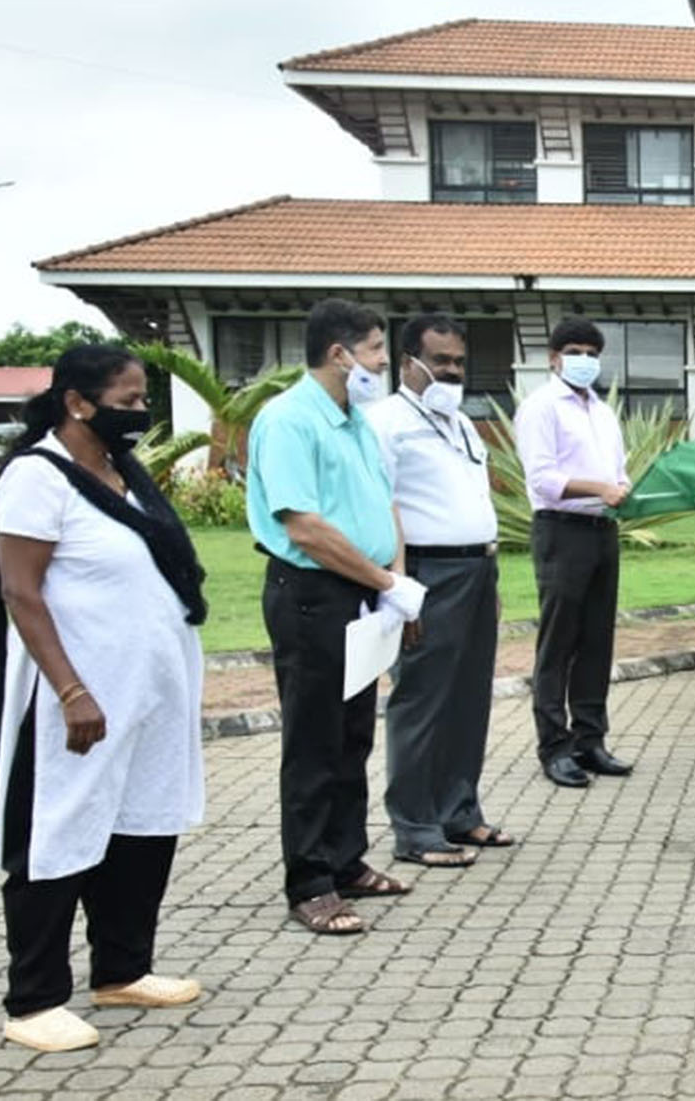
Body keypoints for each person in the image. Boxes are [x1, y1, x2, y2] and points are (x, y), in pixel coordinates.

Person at [0, 346, 209, 1051]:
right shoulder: (37, 478)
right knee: (57, 834)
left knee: (141, 826)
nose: (140, 413)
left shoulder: (121, 473)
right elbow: (21, 590)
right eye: (128, 402)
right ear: (78, 401)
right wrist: (70, 687)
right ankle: (34, 999)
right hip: (75, 698)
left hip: (147, 693)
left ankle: (122, 968)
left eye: (141, 401)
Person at [249, 299, 428, 937]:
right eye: (377, 351)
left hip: (363, 593)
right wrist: (383, 579)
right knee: (314, 743)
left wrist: (395, 583)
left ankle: (346, 860)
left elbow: (384, 506)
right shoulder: (290, 421)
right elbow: (305, 526)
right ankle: (310, 882)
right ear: (339, 354)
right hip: (312, 595)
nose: (383, 363)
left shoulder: (355, 421)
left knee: (353, 735)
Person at [366, 316, 516, 868]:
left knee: (468, 698)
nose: (452, 371)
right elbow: (385, 508)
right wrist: (399, 588)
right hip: (427, 574)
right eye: (441, 361)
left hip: (477, 571)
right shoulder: (385, 422)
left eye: (458, 361)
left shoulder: (461, 424)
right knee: (422, 700)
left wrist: (490, 571)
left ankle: (459, 810)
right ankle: (415, 825)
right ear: (409, 362)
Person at [517, 317, 633, 788]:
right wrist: (600, 488)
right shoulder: (541, 407)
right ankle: (554, 746)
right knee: (559, 642)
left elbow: (619, 470)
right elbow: (542, 478)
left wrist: (619, 486)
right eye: (575, 351)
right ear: (554, 356)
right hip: (561, 530)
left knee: (596, 639)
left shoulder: (602, 412)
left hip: (601, 529)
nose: (584, 360)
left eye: (592, 352)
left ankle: (590, 739)